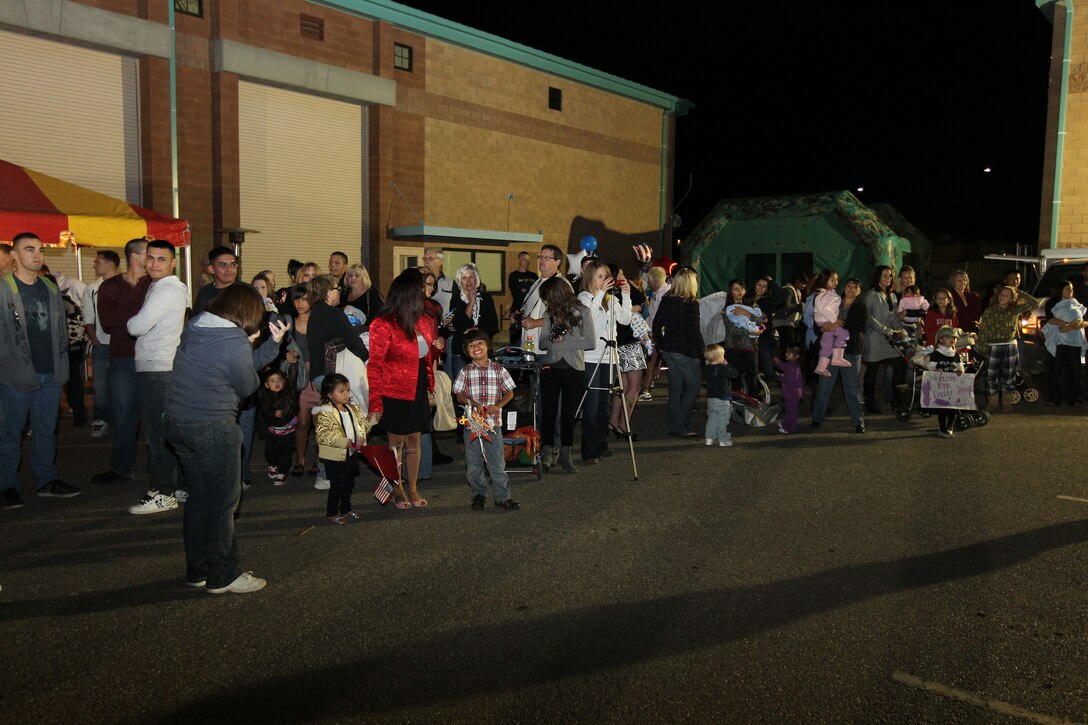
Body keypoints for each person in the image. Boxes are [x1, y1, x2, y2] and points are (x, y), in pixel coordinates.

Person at [166, 285, 287, 593]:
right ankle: (224, 574)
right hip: (212, 425)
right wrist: (251, 343)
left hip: (179, 422)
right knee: (223, 502)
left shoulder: (196, 327)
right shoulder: (233, 340)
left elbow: (233, 366)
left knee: (200, 498)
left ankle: (198, 569)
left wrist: (270, 345)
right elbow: (247, 385)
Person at [0, 233, 81, 509]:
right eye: (29, 249)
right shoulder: (3, 288)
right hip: (15, 374)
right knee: (10, 433)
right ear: (14, 255)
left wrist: (62, 369)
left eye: (40, 250)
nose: (37, 255)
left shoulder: (49, 286)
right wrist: (8, 365)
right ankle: (6, 485)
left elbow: (60, 331)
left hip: (51, 373)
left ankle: (46, 480)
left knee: (45, 430)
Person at [125, 240, 191, 515]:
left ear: (173, 262)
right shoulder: (162, 287)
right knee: (166, 433)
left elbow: (136, 325)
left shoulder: (168, 289)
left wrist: (132, 322)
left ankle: (164, 492)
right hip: (159, 367)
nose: (153, 264)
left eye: (161, 259)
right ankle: (173, 487)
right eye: (150, 258)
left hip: (158, 369)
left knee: (158, 435)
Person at [367, 269, 438, 509]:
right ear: (408, 293)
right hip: (393, 392)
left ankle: (414, 488)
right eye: (421, 289)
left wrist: (437, 348)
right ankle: (397, 488)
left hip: (417, 387)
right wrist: (375, 403)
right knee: (395, 445)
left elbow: (426, 356)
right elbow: (374, 366)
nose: (425, 293)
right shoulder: (383, 324)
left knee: (414, 442)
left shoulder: (424, 321)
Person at [92, 239, 150, 485]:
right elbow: (107, 321)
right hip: (123, 358)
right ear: (135, 256)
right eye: (150, 254)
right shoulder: (110, 286)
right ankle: (122, 466)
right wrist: (147, 317)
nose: (155, 260)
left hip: (154, 359)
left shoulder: (157, 285)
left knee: (159, 416)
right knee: (124, 414)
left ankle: (162, 466)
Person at [303, 274, 370, 489]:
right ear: (327, 292)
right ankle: (327, 474)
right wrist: (366, 356)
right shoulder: (334, 314)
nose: (340, 290)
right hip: (334, 375)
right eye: (336, 288)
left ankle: (327, 473)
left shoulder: (315, 314)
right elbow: (352, 340)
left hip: (321, 375)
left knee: (328, 425)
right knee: (340, 427)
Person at [453, 329, 520, 511]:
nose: (476, 347)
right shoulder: (465, 372)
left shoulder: (499, 370)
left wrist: (497, 406)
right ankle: (478, 494)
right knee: (473, 463)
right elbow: (458, 395)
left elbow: (510, 392)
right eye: (471, 345)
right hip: (472, 426)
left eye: (479, 343)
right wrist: (472, 403)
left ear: (487, 346)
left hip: (492, 426)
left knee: (497, 463)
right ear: (467, 351)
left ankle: (502, 496)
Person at [537, 276, 596, 473]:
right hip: (551, 367)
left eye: (547, 297)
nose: (546, 302)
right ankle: (546, 453)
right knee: (548, 412)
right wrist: (552, 339)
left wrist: (563, 342)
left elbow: (590, 343)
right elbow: (542, 343)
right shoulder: (549, 314)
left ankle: (565, 454)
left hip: (574, 368)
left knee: (569, 415)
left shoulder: (582, 312)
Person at [578, 260, 631, 463]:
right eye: (599, 276)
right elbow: (587, 319)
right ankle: (589, 450)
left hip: (610, 357)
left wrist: (625, 295)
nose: (603, 280)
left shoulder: (610, 300)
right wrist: (600, 294)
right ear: (591, 278)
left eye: (605, 276)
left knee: (604, 405)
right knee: (591, 405)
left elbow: (625, 320)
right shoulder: (584, 298)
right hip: (592, 357)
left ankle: (601, 444)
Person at [652, 267, 705, 438]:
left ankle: (675, 425)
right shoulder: (691, 303)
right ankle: (681, 426)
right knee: (693, 388)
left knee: (675, 388)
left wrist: (661, 344)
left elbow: (656, 324)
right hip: (686, 351)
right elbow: (694, 332)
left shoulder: (666, 300)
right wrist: (702, 352)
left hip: (669, 350)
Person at [812, 277, 868, 433]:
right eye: (849, 286)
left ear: (859, 290)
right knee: (824, 386)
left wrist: (838, 323)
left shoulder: (861, 306)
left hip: (850, 352)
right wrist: (821, 329)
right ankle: (817, 418)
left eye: (855, 287)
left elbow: (862, 326)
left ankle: (858, 421)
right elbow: (818, 317)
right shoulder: (834, 300)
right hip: (829, 350)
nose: (851, 289)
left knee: (851, 388)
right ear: (844, 288)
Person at [977, 284, 1043, 412]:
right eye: (1001, 294)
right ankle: (992, 403)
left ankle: (1007, 403)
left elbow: (1034, 303)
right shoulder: (990, 311)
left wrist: (1017, 291)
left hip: (1010, 346)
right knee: (992, 375)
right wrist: (984, 347)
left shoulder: (1015, 310)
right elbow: (983, 329)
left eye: (1007, 295)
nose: (1003, 297)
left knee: (1009, 375)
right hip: (993, 346)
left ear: (1012, 298)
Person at [314, 372, 367, 524]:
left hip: (350, 453)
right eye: (341, 391)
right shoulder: (325, 412)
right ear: (330, 394)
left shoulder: (351, 408)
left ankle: (346, 508)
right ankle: (332, 512)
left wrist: (371, 423)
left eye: (348, 390)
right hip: (335, 456)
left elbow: (360, 426)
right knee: (337, 484)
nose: (346, 394)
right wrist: (346, 442)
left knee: (349, 483)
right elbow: (323, 435)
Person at [82, 249, 121, 438]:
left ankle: (121, 419)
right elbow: (88, 317)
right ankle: (101, 419)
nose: (94, 265)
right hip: (102, 346)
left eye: (98, 262)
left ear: (110, 264)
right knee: (101, 385)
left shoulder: (126, 285)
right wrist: (95, 341)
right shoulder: (92, 288)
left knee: (122, 385)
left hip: (123, 345)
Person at [608, 263, 648, 440]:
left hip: (618, 342)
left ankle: (613, 423)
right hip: (629, 342)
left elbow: (640, 302)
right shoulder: (618, 293)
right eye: (621, 273)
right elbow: (640, 300)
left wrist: (636, 307)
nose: (624, 276)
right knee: (634, 387)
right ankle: (624, 427)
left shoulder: (610, 293)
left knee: (622, 387)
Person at [862, 265, 907, 414]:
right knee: (872, 371)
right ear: (877, 277)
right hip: (875, 338)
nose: (888, 278)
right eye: (885, 275)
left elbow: (893, 317)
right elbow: (868, 318)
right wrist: (886, 330)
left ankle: (895, 398)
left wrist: (901, 330)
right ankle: (870, 402)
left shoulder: (892, 296)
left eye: (890, 276)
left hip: (889, 339)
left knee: (901, 366)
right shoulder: (870, 295)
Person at [447, 262, 499, 384]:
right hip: (460, 351)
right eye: (464, 278)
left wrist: (474, 331)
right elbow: (459, 326)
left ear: (476, 279)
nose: (468, 281)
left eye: (471, 277)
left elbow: (493, 325)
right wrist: (470, 303)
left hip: (482, 351)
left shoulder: (486, 298)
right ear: (460, 281)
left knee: (481, 387)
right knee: (461, 389)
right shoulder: (455, 299)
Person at [1042, 281, 1088, 407]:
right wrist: (1066, 325)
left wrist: (1075, 326)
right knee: (1056, 369)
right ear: (1060, 290)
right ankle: (1054, 397)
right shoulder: (1052, 303)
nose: (1070, 291)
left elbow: (1085, 321)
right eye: (1068, 289)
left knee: (1075, 370)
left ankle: (1073, 397)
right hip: (1058, 340)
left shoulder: (1076, 304)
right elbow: (1050, 318)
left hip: (1075, 341)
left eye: (1071, 289)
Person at [517, 244, 568, 348]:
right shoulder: (537, 282)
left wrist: (535, 323)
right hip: (529, 343)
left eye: (547, 257)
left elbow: (564, 316)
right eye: (541, 256)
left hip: (546, 346)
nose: (542, 260)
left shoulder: (560, 284)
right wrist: (519, 316)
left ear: (557, 262)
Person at [259, 360, 299, 485]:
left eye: (279, 380)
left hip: (288, 432)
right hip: (272, 432)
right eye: (272, 380)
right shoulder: (265, 397)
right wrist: (273, 414)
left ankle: (283, 472)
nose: (277, 383)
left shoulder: (289, 393)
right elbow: (264, 414)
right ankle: (273, 465)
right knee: (270, 451)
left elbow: (293, 378)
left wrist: (293, 364)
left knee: (286, 453)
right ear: (266, 384)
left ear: (284, 381)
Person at [720, 280, 761, 395]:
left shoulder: (752, 305)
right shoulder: (727, 309)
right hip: (733, 348)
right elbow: (732, 330)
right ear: (730, 291)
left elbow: (761, 323)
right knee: (734, 379)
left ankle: (752, 406)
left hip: (751, 347)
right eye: (735, 289)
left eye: (741, 288)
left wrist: (745, 313)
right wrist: (752, 328)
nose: (739, 291)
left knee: (752, 378)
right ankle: (736, 407)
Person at [926, 326, 967, 439]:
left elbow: (960, 367)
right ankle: (942, 428)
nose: (952, 339)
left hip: (953, 387)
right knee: (943, 408)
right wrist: (936, 370)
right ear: (940, 340)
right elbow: (930, 367)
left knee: (952, 408)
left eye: (954, 337)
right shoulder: (936, 354)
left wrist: (960, 371)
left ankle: (950, 427)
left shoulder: (955, 355)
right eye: (948, 337)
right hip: (941, 387)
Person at [811, 270, 852, 377]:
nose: (836, 282)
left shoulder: (829, 293)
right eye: (832, 280)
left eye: (836, 280)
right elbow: (824, 309)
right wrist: (835, 320)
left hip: (825, 321)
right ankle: (837, 358)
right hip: (826, 320)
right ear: (825, 281)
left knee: (827, 344)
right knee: (844, 334)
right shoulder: (823, 294)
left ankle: (821, 367)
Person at [639, 266, 670, 401]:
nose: (648, 284)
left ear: (655, 282)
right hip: (653, 332)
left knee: (655, 361)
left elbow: (661, 317)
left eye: (649, 282)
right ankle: (646, 389)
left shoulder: (666, 295)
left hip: (660, 334)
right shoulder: (658, 293)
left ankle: (647, 390)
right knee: (650, 361)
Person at [702, 344, 738, 446]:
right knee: (723, 420)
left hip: (711, 399)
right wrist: (727, 364)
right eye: (723, 355)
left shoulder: (706, 368)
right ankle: (723, 439)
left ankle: (709, 438)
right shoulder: (723, 368)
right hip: (723, 399)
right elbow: (735, 374)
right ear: (719, 357)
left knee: (712, 419)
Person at [193, 246, 243, 314]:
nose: (229, 269)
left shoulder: (247, 292)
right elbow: (196, 321)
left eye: (233, 264)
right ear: (211, 269)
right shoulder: (205, 293)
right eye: (223, 265)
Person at [508, 251, 538, 344]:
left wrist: (525, 290)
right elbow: (517, 294)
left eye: (528, 259)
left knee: (529, 338)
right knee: (516, 338)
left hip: (531, 311)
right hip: (518, 310)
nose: (526, 261)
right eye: (524, 259)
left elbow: (536, 293)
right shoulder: (513, 276)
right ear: (519, 260)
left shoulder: (534, 276)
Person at [775, 344, 804, 434]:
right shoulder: (791, 364)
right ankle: (786, 424)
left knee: (791, 411)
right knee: (789, 409)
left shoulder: (794, 367)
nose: (786, 354)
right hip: (791, 393)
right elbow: (785, 367)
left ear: (796, 356)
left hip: (793, 393)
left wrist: (780, 377)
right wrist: (778, 362)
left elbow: (789, 379)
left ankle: (790, 428)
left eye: (789, 353)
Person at [423, 247, 456, 316]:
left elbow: (456, 306)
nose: (427, 261)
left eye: (430, 258)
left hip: (443, 324)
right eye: (425, 259)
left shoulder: (450, 283)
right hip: (424, 324)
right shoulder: (418, 281)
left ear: (440, 262)